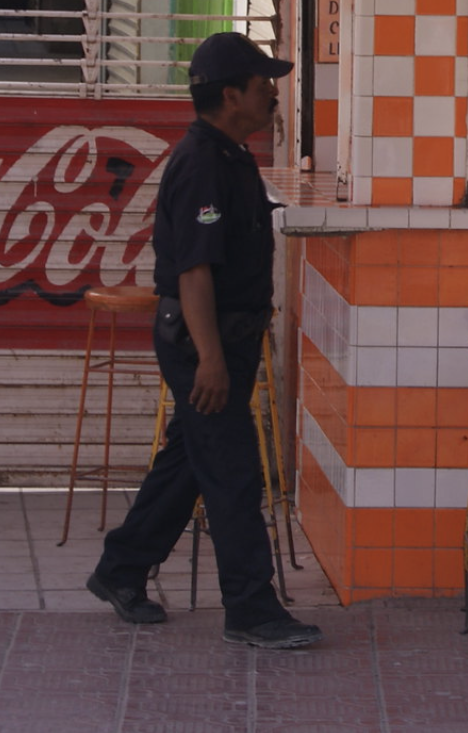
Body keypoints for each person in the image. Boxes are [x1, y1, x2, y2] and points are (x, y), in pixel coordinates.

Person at [87, 32, 323, 650]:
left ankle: (120, 569)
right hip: (203, 342)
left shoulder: (230, 154)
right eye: (263, 84)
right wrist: (212, 361)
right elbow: (193, 272)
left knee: (191, 461)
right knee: (233, 473)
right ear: (230, 95)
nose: (273, 93)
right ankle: (251, 609)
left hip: (227, 339)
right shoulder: (200, 165)